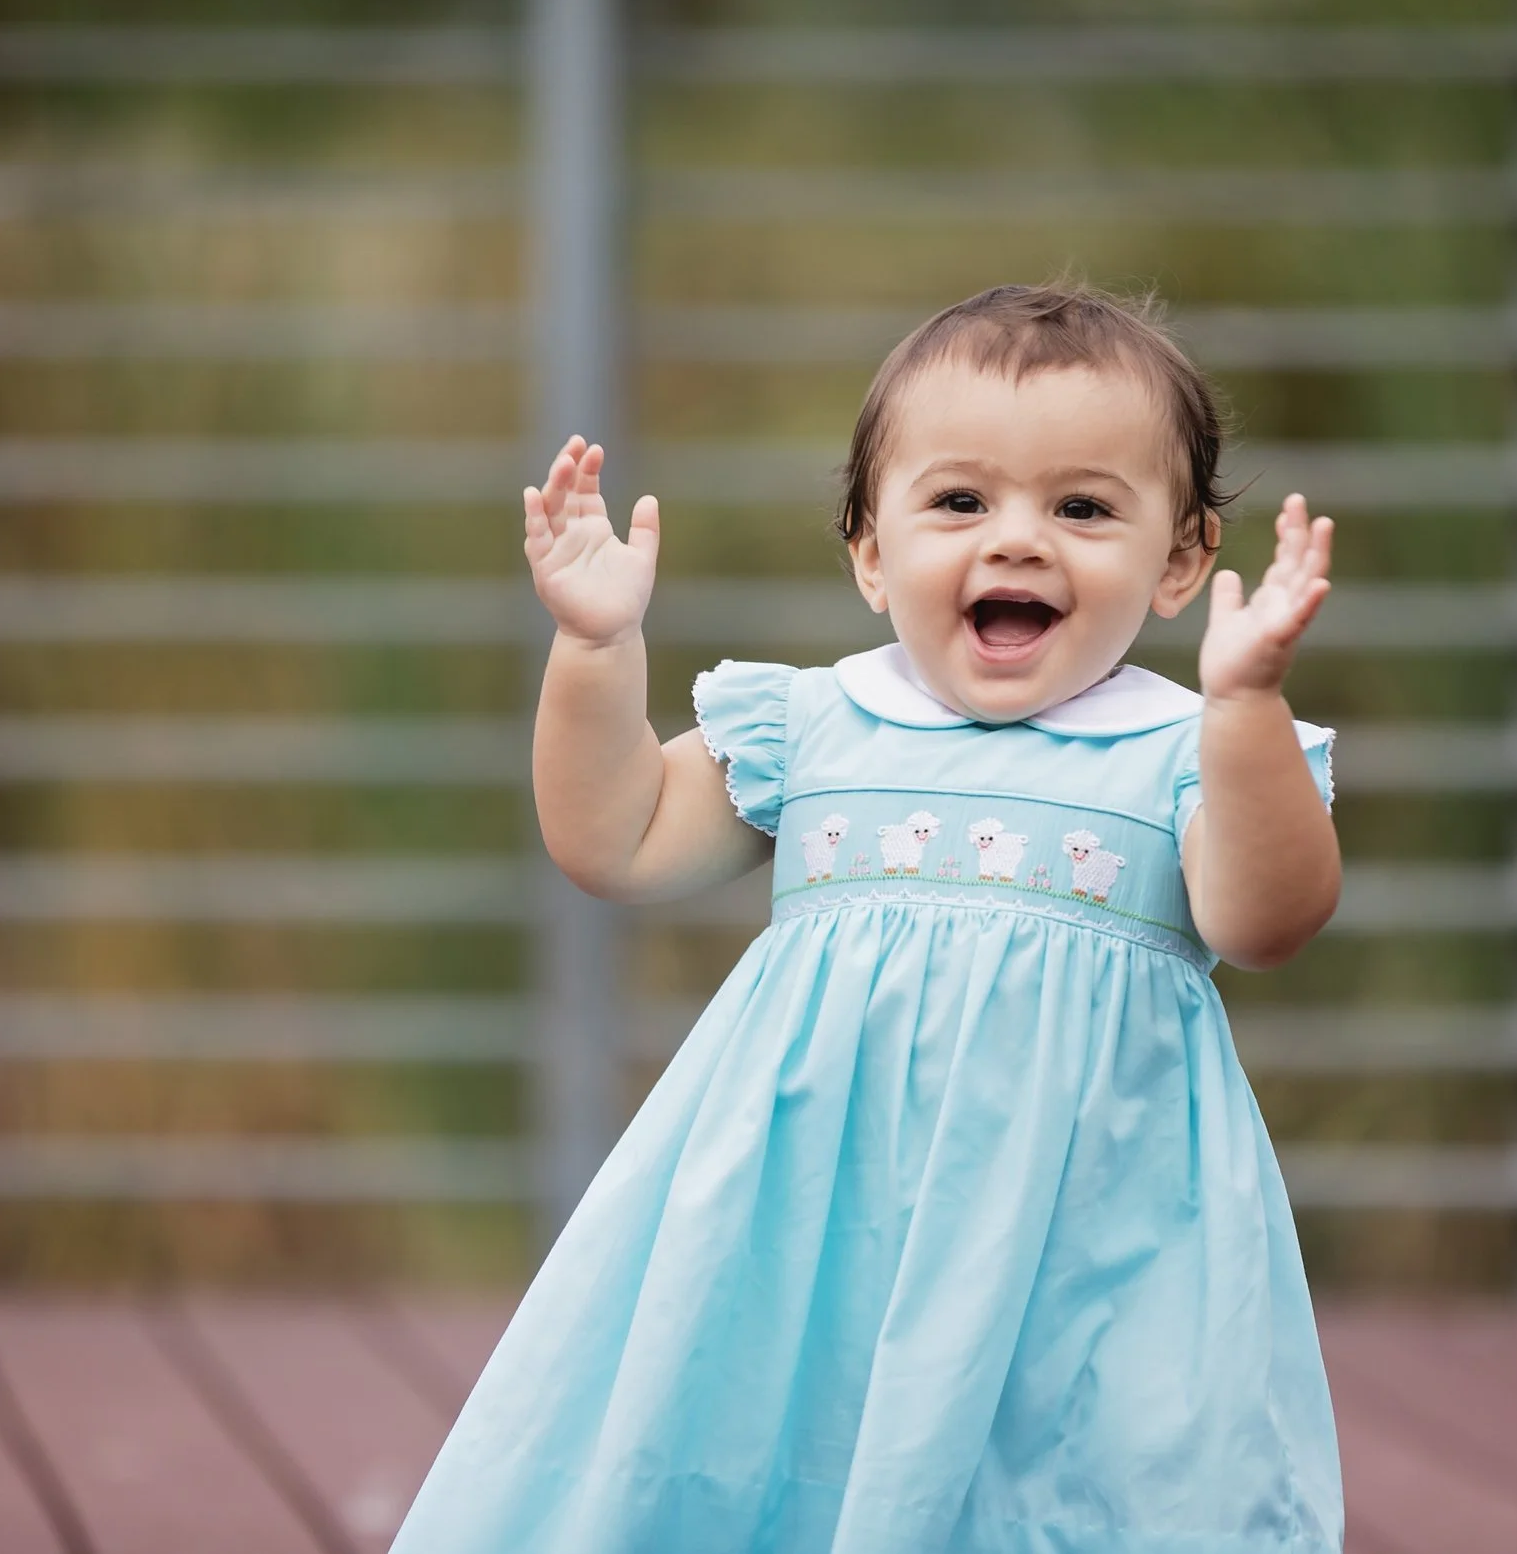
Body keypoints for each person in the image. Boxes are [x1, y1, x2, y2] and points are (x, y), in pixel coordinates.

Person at [391, 282, 1345, 1553]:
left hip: (1085, 1249)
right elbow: (612, 838)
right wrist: (595, 646)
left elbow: (1267, 915)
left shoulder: (1183, 749)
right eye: (959, 500)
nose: (1016, 540)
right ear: (869, 551)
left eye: (1081, 506)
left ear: (1179, 558)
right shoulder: (816, 725)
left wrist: (1245, 709)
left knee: (1074, 1496)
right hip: (814, 1231)